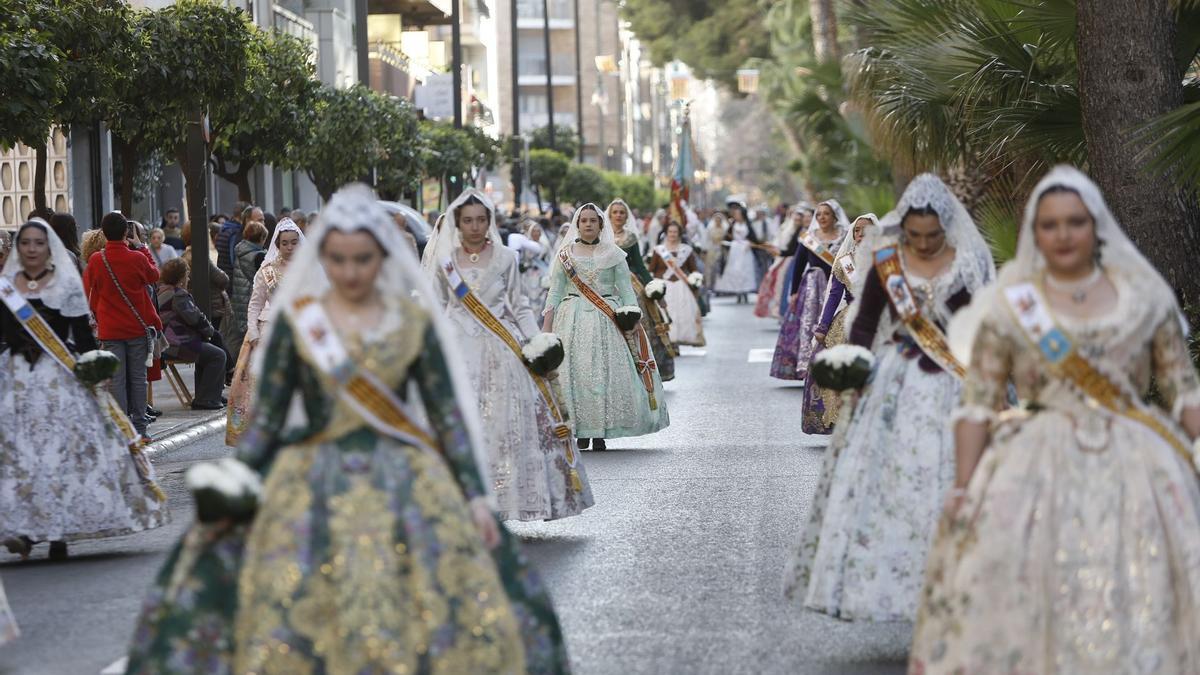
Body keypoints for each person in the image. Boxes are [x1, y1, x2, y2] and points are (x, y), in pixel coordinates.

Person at [125, 184, 569, 674]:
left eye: (363, 259)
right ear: (324, 260)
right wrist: (240, 486)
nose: (351, 272)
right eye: (339, 259)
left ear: (381, 258)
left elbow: (447, 418)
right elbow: (267, 423)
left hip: (402, 473)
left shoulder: (410, 324)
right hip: (313, 473)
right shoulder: (302, 324)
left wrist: (475, 495)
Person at [909, 166, 1200, 673]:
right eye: (1049, 225)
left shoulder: (1143, 298)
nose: (1063, 235)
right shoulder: (1013, 305)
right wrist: (962, 486)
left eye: (1075, 222)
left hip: (1136, 467)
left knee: (1139, 589)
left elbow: (1183, 392)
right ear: (1034, 232)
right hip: (1032, 465)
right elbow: (978, 402)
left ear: (1096, 226)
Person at [784, 174, 995, 621]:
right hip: (899, 378)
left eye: (931, 236)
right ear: (903, 230)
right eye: (913, 235)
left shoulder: (965, 265)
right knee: (895, 474)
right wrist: (856, 362)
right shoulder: (887, 262)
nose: (921, 243)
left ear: (946, 228)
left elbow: (978, 324)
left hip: (954, 379)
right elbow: (864, 324)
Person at [1, 218, 167, 560]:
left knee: (63, 452)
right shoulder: (7, 287)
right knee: (22, 454)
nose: (32, 249)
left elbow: (83, 333)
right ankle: (26, 530)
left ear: (48, 249)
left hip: (59, 375)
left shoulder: (64, 284)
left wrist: (94, 366)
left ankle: (59, 531)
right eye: (26, 243)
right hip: (18, 376)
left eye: (38, 243)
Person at [424, 189, 594, 521]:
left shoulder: (506, 258)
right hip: (457, 348)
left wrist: (536, 342)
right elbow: (435, 306)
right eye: (468, 220)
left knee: (506, 423)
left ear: (490, 221)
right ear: (458, 223)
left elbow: (519, 306)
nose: (474, 226)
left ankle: (505, 500)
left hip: (501, 347)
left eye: (481, 220)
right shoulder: (445, 261)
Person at [543, 203, 670, 451]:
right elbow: (555, 291)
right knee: (576, 374)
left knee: (605, 373)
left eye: (593, 220)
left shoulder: (614, 254)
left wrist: (632, 319)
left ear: (601, 225)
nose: (588, 224)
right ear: (577, 225)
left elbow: (626, 291)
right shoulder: (565, 255)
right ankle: (581, 431)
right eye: (583, 220)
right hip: (572, 320)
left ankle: (601, 432)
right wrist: (547, 328)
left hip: (607, 319)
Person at [84, 211, 162, 440]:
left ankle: (122, 428)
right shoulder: (137, 258)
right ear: (127, 232)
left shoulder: (96, 260)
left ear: (103, 232)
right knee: (138, 378)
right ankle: (140, 429)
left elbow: (91, 291)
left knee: (116, 380)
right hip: (136, 327)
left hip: (110, 329)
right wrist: (142, 247)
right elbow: (154, 275)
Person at [800, 213, 879, 435]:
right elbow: (833, 296)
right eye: (857, 230)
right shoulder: (845, 262)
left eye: (867, 230)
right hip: (847, 322)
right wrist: (822, 327)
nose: (861, 234)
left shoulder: (885, 259)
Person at [225, 219, 302, 445]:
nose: (290, 247)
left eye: (294, 243)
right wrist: (253, 332)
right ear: (277, 244)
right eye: (285, 243)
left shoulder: (307, 269)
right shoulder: (267, 270)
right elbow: (255, 303)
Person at [770, 200, 848, 381]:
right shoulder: (809, 238)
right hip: (812, 289)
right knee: (809, 326)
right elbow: (798, 265)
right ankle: (808, 367)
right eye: (818, 214)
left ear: (835, 217)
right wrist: (794, 292)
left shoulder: (844, 237)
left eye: (826, 214)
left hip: (837, 289)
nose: (822, 217)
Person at [608, 198, 676, 382]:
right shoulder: (602, 237)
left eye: (622, 212)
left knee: (642, 322)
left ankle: (643, 365)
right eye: (615, 212)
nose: (618, 216)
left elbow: (640, 266)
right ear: (609, 215)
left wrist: (655, 290)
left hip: (629, 283)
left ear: (626, 216)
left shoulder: (630, 238)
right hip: (606, 284)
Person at [156, 259, 227, 410]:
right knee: (218, 355)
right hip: (177, 344)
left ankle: (207, 395)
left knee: (208, 351)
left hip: (166, 343)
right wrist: (209, 331)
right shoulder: (178, 295)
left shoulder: (161, 292)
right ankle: (206, 398)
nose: (188, 278)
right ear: (181, 278)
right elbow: (195, 318)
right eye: (187, 275)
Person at [649, 221, 706, 347]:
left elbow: (693, 269)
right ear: (666, 233)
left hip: (681, 286)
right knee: (665, 313)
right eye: (670, 232)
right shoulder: (659, 250)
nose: (672, 234)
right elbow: (651, 269)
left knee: (683, 313)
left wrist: (694, 280)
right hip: (664, 286)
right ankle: (668, 339)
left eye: (675, 232)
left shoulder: (686, 250)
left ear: (679, 234)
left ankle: (680, 338)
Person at [225, 221, 269, 370]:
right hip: (251, 299)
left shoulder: (240, 250)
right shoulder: (259, 256)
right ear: (261, 238)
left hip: (239, 298)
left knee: (242, 339)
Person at [755, 205, 812, 320]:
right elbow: (791, 247)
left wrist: (780, 252)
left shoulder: (809, 233)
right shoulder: (798, 231)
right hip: (793, 261)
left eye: (809, 217)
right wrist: (778, 251)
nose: (805, 220)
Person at [714, 202, 761, 303]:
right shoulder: (733, 224)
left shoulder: (748, 225)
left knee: (745, 270)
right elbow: (728, 236)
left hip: (745, 250)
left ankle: (745, 292)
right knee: (735, 270)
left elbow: (754, 238)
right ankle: (738, 292)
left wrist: (749, 242)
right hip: (735, 250)